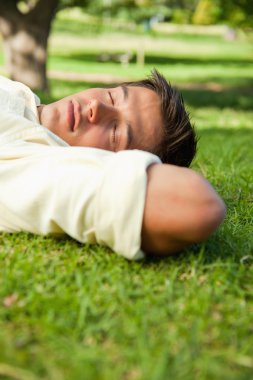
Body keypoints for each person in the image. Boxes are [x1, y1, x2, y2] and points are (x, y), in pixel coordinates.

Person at [0, 72, 225, 260]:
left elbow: (197, 206)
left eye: (116, 134)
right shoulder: (21, 96)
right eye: (112, 97)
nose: (96, 107)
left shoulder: (35, 165)